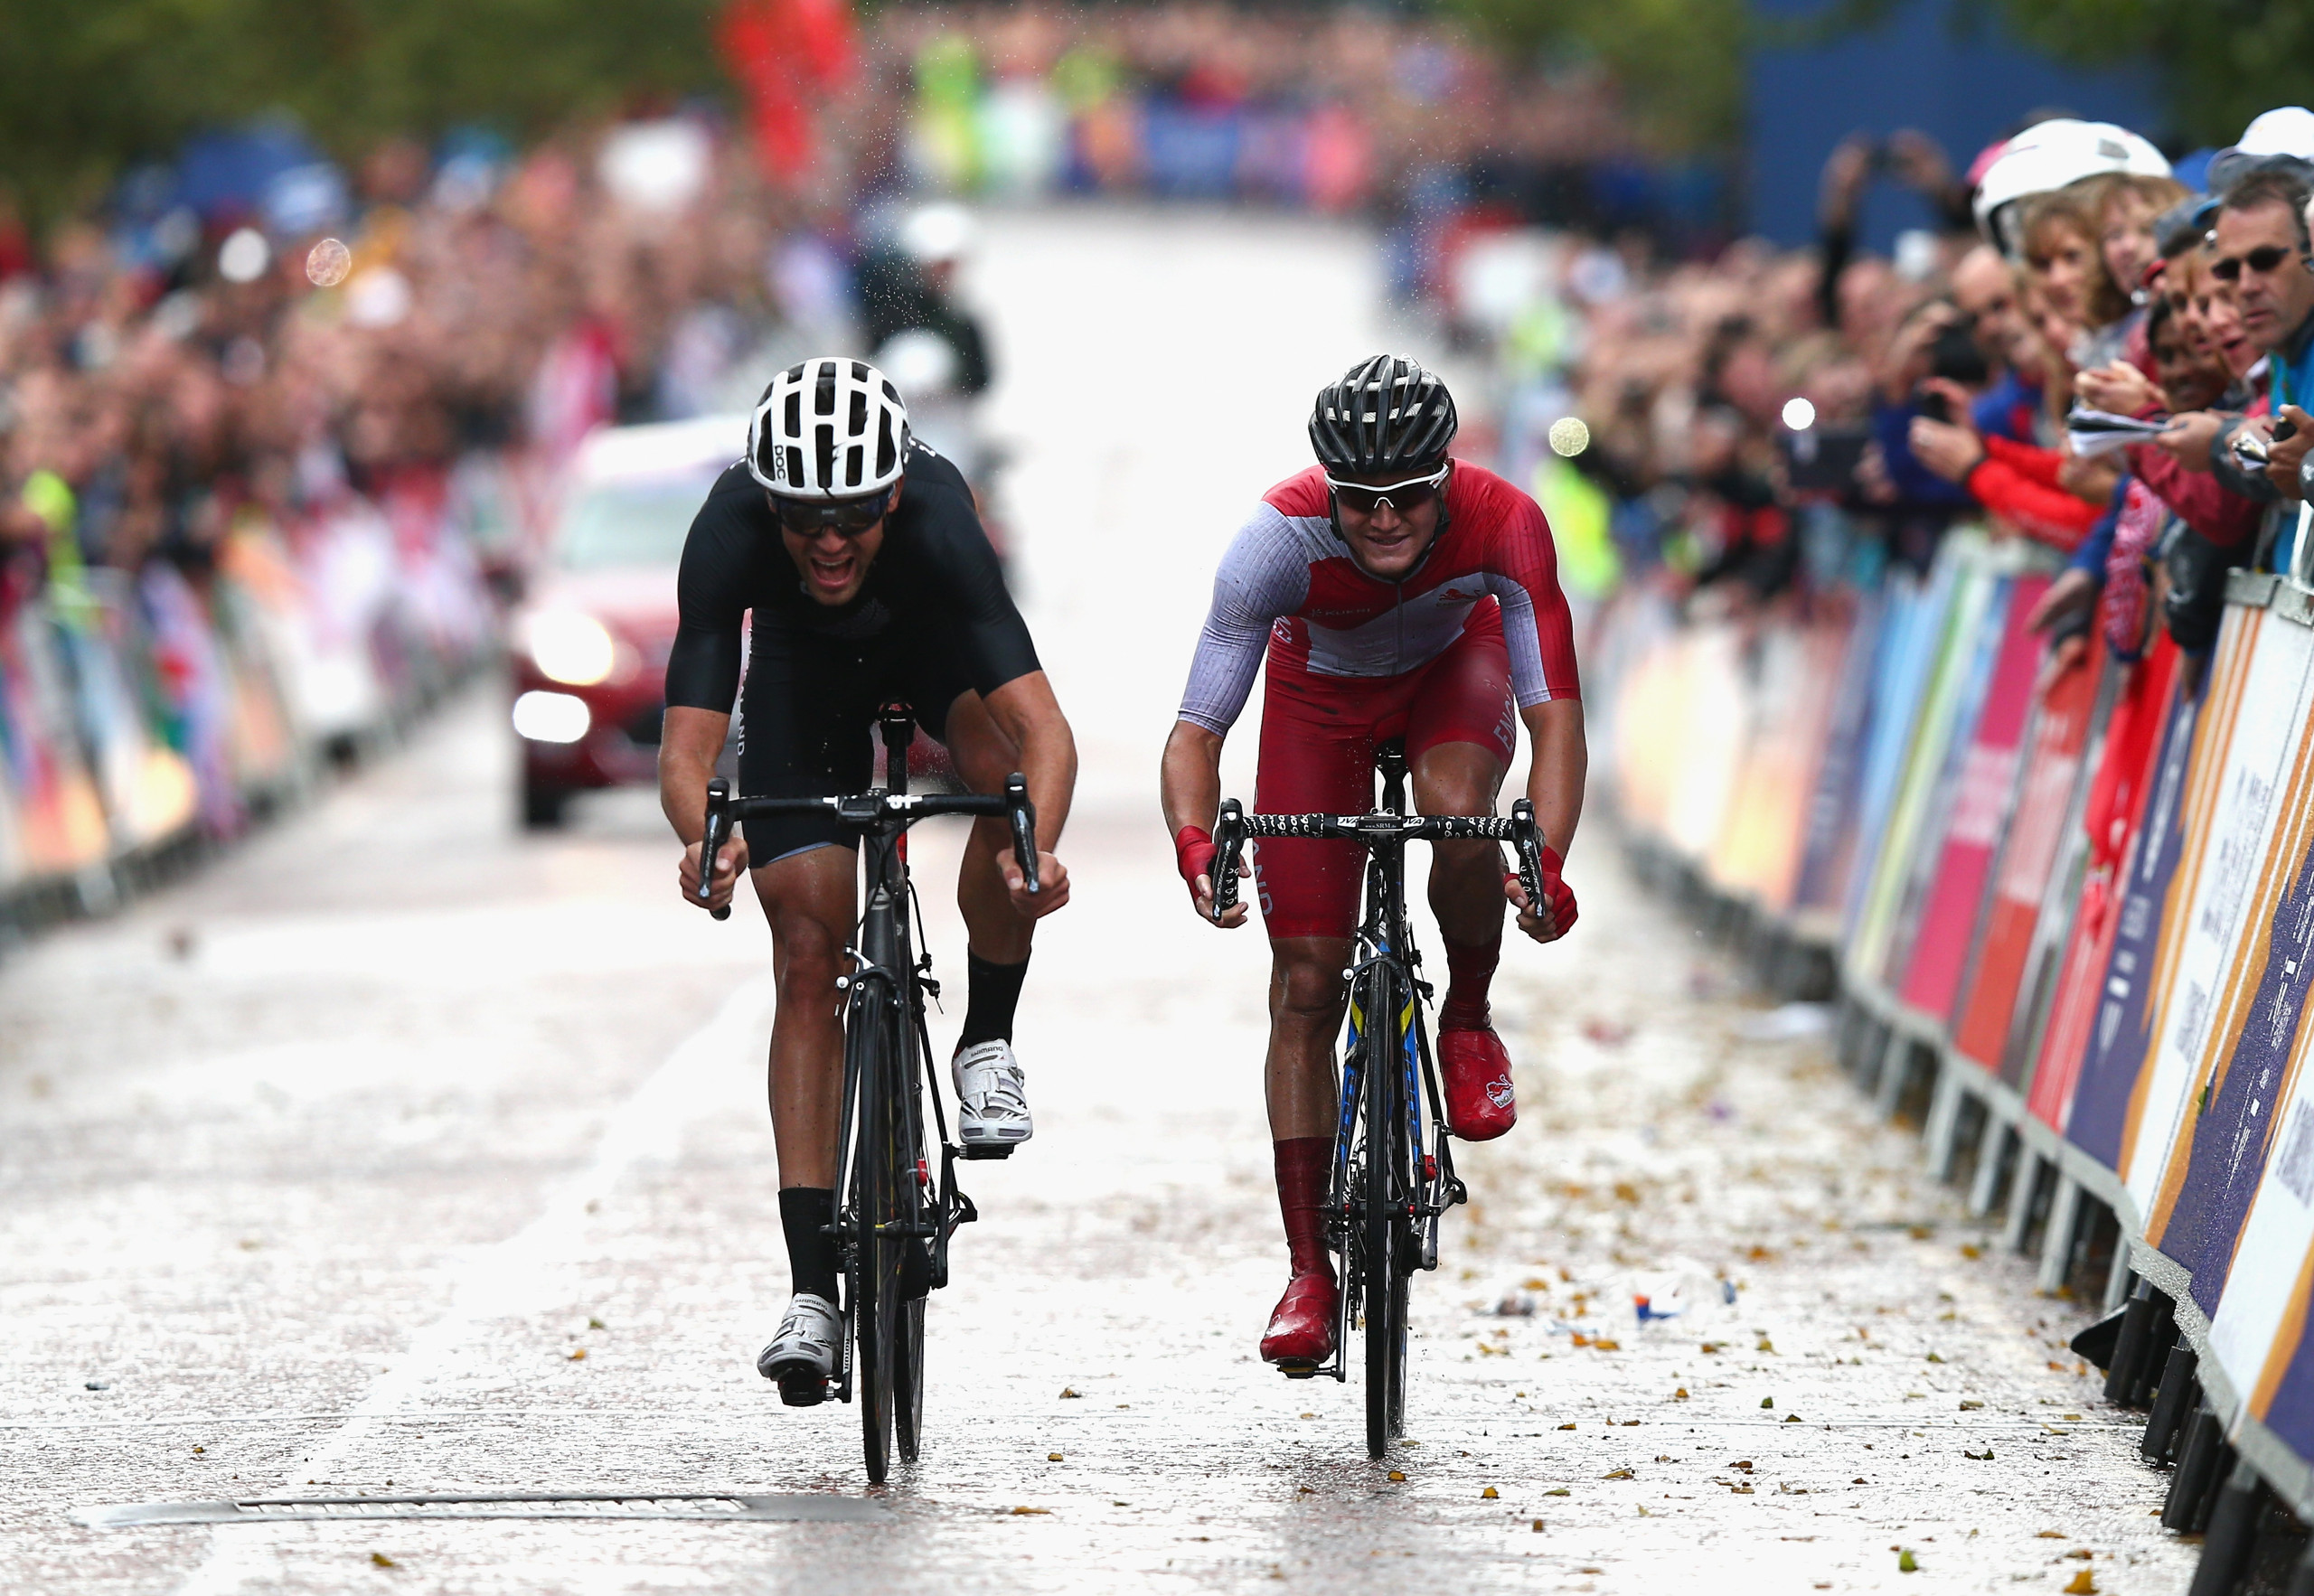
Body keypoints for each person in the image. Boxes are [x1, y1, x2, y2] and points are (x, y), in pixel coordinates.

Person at [658, 356, 1077, 1404]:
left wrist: (1034, 849)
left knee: (1006, 786)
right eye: (804, 518)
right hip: (801, 684)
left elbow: (1045, 731)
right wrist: (705, 838)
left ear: (891, 494)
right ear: (769, 502)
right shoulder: (727, 529)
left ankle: (986, 1040)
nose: (830, 540)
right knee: (807, 954)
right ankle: (812, 1291)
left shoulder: (939, 516)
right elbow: (688, 747)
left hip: (932, 655)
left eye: (852, 514)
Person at [1158, 355, 1585, 1370]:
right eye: (1360, 499)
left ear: (1446, 478)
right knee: (1306, 983)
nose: (1385, 519)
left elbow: (1556, 720)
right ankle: (1309, 1271)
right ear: (1329, 489)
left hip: (1454, 669)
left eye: (1408, 496)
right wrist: (1194, 843)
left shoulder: (1505, 520)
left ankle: (1467, 1017)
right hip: (1320, 697)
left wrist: (1548, 859)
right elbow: (1195, 733)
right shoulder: (1274, 540)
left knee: (1458, 810)